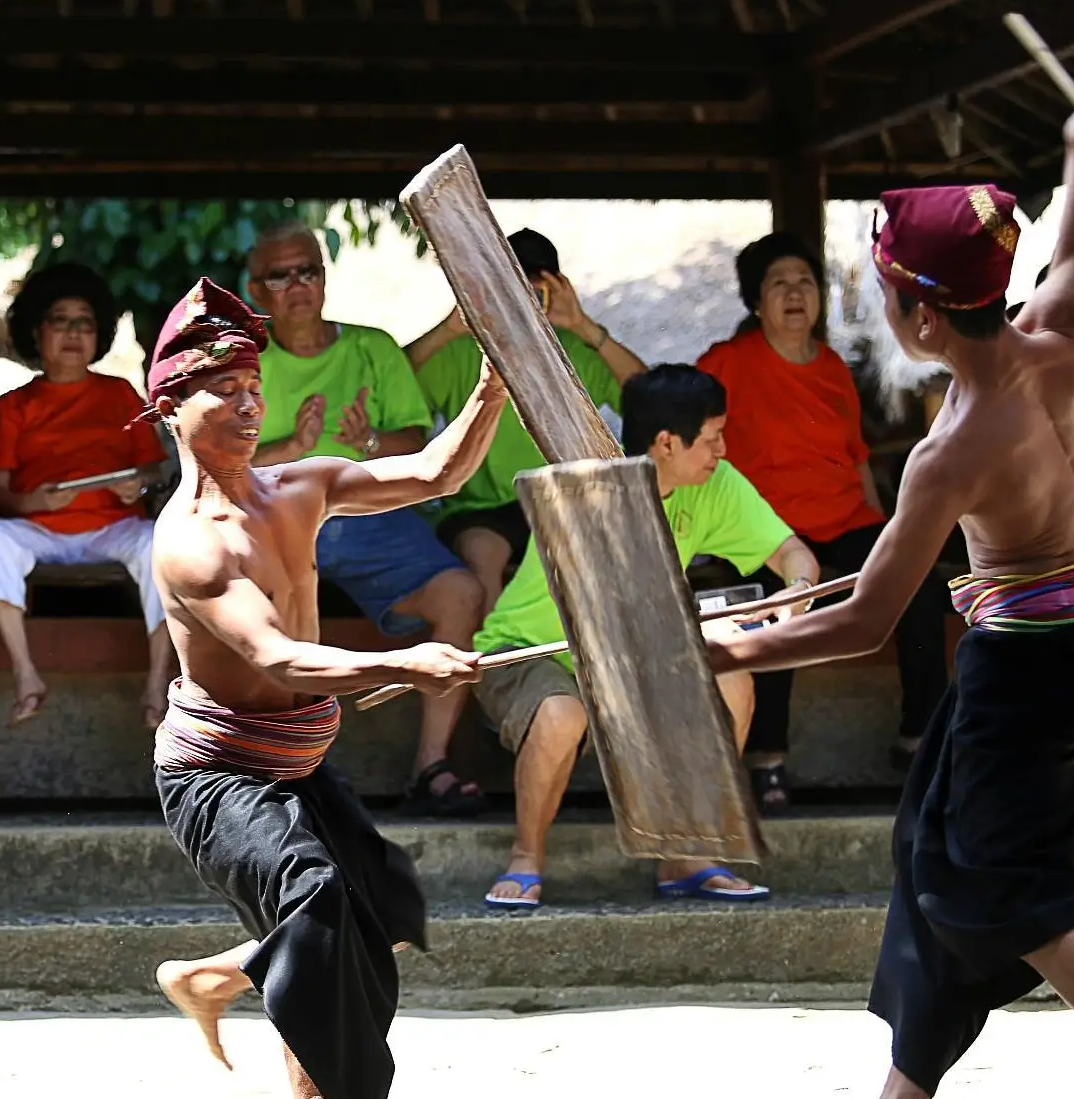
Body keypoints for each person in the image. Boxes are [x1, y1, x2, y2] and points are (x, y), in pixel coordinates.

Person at [704, 111, 1074, 1099]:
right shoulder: (1059, 338)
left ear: (912, 312)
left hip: (1031, 673)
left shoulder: (950, 450)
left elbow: (862, 621)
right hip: (1072, 647)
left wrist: (731, 641)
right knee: (930, 857)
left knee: (1006, 886)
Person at [143, 277, 505, 1099]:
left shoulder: (297, 489)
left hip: (295, 759)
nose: (247, 402)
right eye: (220, 389)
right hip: (218, 773)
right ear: (168, 408)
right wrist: (402, 662)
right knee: (315, 897)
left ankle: (210, 978)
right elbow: (278, 658)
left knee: (379, 900)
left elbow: (437, 472)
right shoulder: (194, 542)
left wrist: (495, 383)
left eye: (254, 385)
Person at [472, 364, 817, 910]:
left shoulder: (716, 483)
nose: (722, 450)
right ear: (666, 443)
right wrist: (704, 629)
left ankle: (686, 854)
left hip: (629, 658)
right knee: (563, 714)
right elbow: (614, 616)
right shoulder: (590, 487)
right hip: (528, 651)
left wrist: (796, 592)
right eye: (711, 438)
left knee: (733, 681)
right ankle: (525, 857)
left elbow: (791, 552)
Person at [697, 232, 950, 811]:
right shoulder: (727, 362)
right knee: (773, 606)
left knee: (917, 582)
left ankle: (919, 741)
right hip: (764, 530)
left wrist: (887, 531)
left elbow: (857, 457)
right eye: (778, 284)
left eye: (805, 282)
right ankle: (767, 760)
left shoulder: (834, 367)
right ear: (755, 301)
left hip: (844, 518)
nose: (794, 294)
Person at [245, 220, 488, 813]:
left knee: (460, 591)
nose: (299, 284)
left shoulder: (372, 347)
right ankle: (278, 771)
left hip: (374, 514)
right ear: (257, 292)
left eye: (310, 270)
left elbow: (414, 441)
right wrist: (292, 449)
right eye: (282, 275)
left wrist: (371, 440)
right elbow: (221, 462)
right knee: (263, 619)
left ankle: (431, 764)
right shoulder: (244, 360)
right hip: (280, 517)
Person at [0, 263, 176, 728]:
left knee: (158, 545)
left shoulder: (122, 394)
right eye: (60, 320)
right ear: (36, 331)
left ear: (100, 333)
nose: (73, 333)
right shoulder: (13, 405)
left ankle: (157, 686)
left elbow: (152, 468)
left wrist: (139, 483)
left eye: (84, 322)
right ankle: (25, 674)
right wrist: (31, 504)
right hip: (39, 529)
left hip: (113, 527)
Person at [404, 228, 646, 606]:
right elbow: (390, 380)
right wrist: (450, 327)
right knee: (483, 552)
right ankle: (498, 662)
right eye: (513, 291)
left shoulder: (578, 353)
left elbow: (650, 395)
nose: (526, 304)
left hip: (564, 497)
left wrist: (584, 326)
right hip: (479, 510)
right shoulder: (461, 351)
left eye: (537, 293)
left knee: (597, 549)